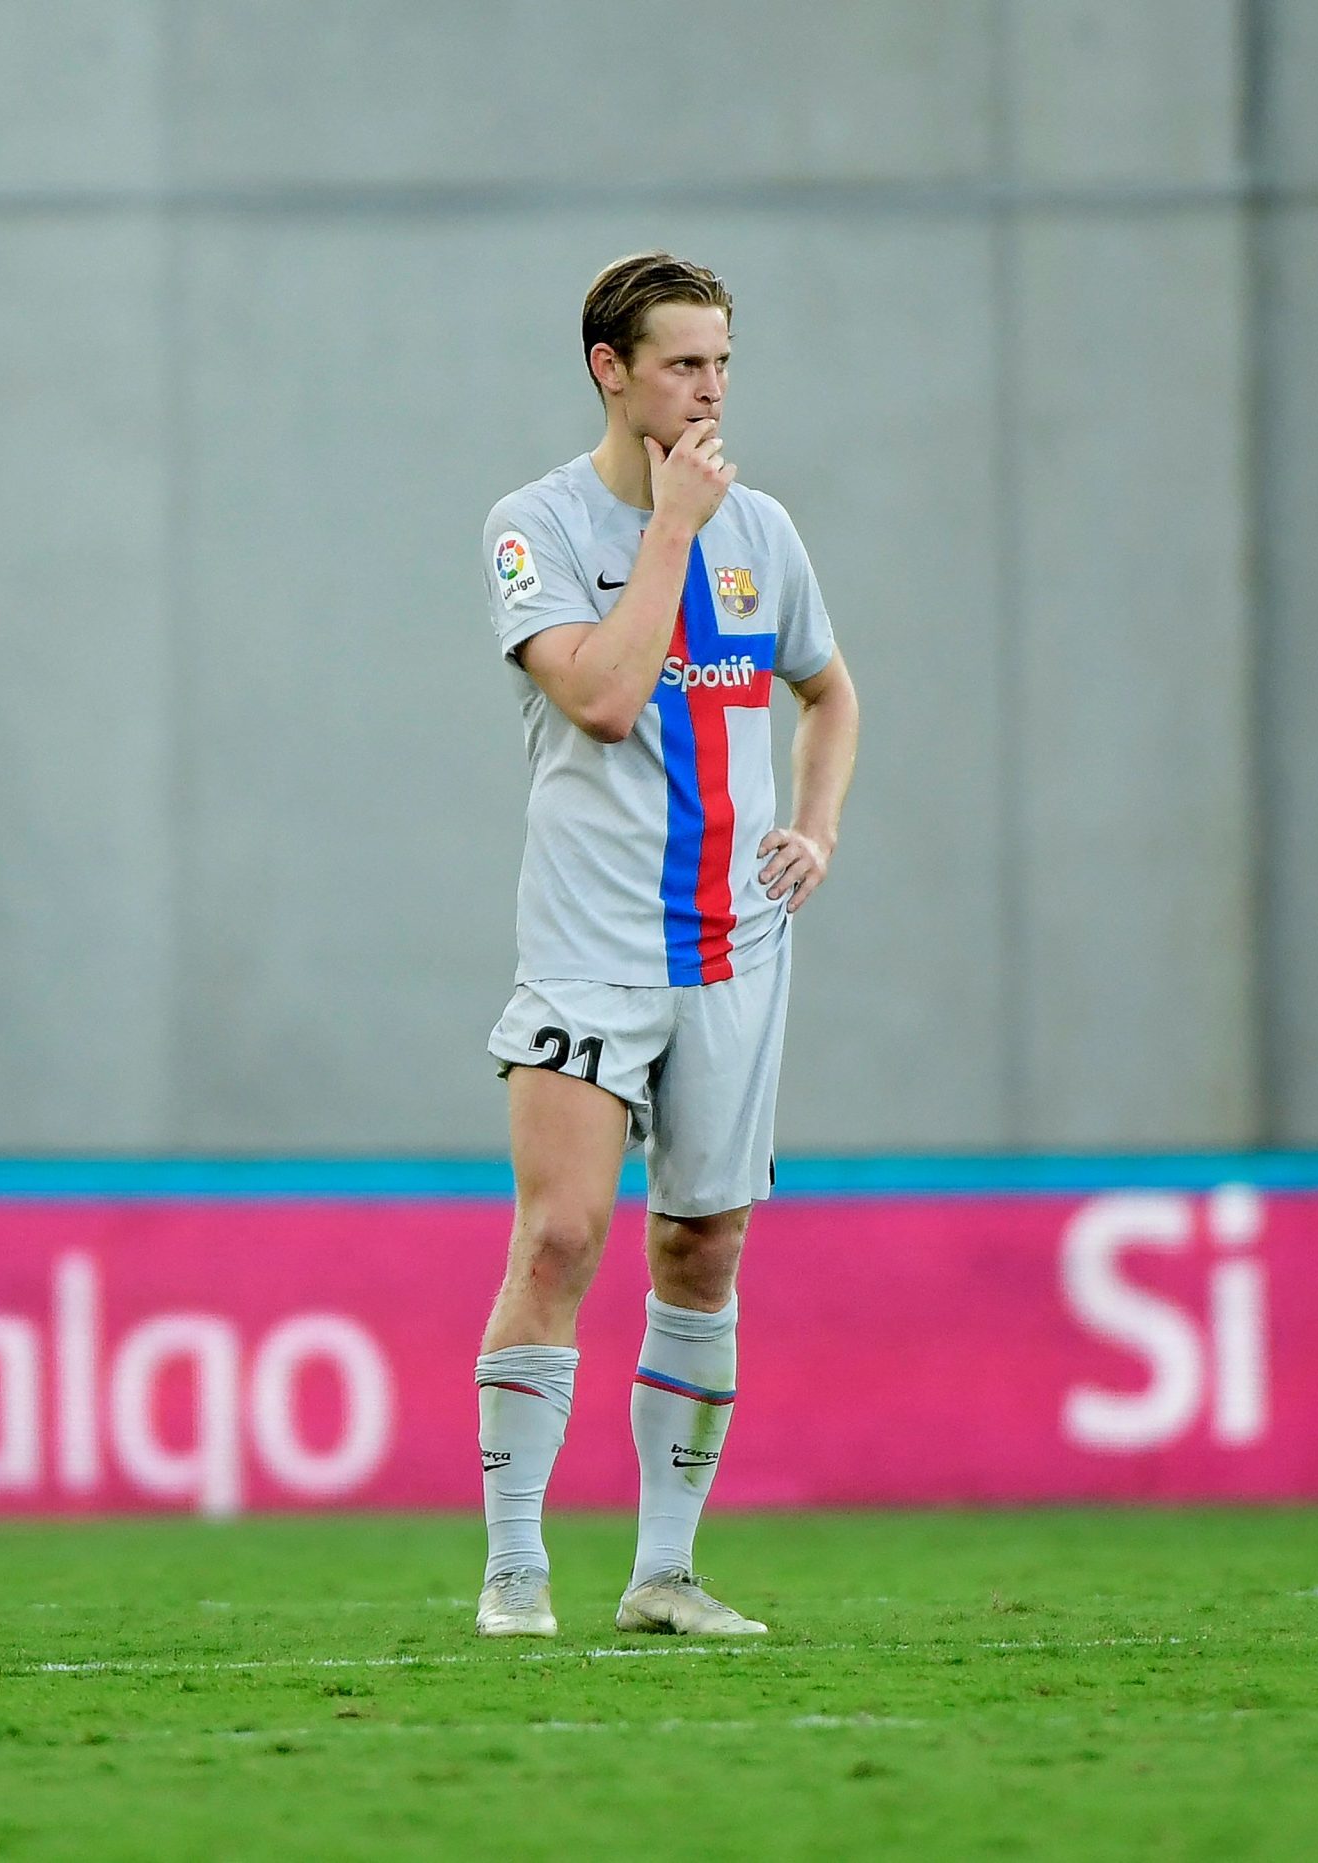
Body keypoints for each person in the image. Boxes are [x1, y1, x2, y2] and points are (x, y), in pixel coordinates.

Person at [471, 252, 860, 1638]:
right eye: (684, 364)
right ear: (611, 371)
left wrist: (813, 825)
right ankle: (517, 1569)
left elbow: (829, 690)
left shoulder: (767, 530)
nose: (709, 390)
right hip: (586, 944)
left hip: (733, 948)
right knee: (566, 1233)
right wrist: (672, 535)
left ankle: (665, 1575)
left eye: (723, 364)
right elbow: (606, 700)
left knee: (700, 1253)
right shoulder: (536, 525)